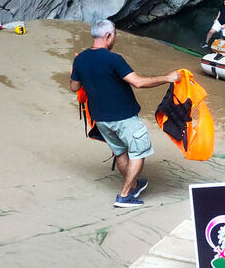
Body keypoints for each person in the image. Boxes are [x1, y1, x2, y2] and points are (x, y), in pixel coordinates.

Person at [70, 20, 180, 207]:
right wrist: (167, 78)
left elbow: (74, 87)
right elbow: (138, 82)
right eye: (114, 35)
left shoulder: (80, 59)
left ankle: (134, 185)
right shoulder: (114, 59)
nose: (114, 39)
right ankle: (125, 195)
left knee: (120, 152)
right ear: (108, 36)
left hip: (100, 119)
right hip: (124, 118)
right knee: (138, 152)